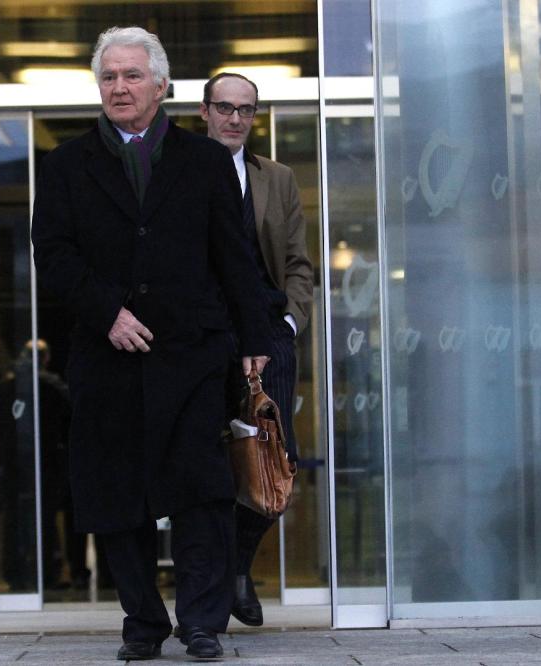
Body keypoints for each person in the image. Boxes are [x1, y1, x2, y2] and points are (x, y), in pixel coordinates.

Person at [31, 26, 272, 661]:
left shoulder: (206, 163)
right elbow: (51, 256)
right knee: (114, 498)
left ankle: (200, 623)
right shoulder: (63, 165)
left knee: (200, 493)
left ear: (161, 86)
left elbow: (236, 258)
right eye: (108, 76)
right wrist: (106, 310)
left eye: (132, 75)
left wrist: (254, 336)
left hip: (191, 355)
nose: (119, 86)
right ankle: (143, 623)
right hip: (105, 359)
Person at [201, 72, 315, 627]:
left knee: (275, 460)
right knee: (214, 462)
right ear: (204, 111)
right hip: (205, 336)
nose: (235, 118)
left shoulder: (278, 178)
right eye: (224, 107)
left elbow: (297, 261)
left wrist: (290, 323)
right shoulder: (182, 171)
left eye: (246, 109)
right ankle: (221, 584)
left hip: (268, 338)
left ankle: (239, 567)